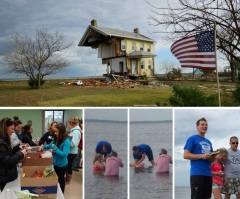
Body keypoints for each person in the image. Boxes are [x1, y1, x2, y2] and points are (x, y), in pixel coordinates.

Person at [183, 117, 214, 199]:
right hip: (197, 174)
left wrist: (213, 157)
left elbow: (211, 159)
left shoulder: (208, 142)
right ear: (197, 126)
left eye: (206, 125)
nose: (205, 126)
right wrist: (201, 156)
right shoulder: (192, 139)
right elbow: (185, 155)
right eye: (202, 124)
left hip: (208, 174)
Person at [38, 123, 70, 193]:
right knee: (52, 178)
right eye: (55, 131)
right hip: (54, 163)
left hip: (62, 165)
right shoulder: (56, 138)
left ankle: (61, 193)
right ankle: (53, 192)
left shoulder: (66, 141)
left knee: (61, 180)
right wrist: (42, 147)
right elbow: (49, 145)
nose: (55, 133)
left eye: (57, 132)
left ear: (61, 132)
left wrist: (55, 148)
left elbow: (64, 154)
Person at [0, 117, 27, 191]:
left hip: (8, 175)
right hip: (5, 177)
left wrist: (18, 147)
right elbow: (8, 160)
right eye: (11, 129)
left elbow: (8, 152)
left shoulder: (4, 140)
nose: (13, 131)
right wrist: (21, 154)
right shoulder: (1, 143)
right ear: (5, 128)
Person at [65, 117, 81, 184]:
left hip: (72, 152)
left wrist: (67, 141)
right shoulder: (73, 131)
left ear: (71, 124)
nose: (67, 126)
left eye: (67, 124)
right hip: (71, 151)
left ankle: (68, 180)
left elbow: (74, 144)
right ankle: (67, 178)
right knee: (68, 165)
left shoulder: (76, 132)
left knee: (69, 166)